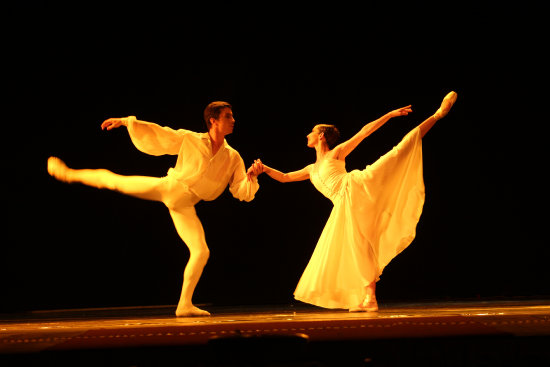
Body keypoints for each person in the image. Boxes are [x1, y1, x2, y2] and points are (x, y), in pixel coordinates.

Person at [47, 101, 263, 317]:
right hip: (169, 189)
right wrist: (126, 122)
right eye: (228, 116)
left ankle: (184, 305)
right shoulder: (192, 139)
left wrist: (251, 176)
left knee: (201, 251)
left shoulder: (233, 156)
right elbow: (161, 134)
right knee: (116, 182)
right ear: (212, 121)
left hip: (186, 205)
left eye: (232, 116)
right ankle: (68, 173)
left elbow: (240, 190)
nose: (233, 120)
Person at [250, 91, 457, 312]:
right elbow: (285, 177)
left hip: (356, 187)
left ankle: (437, 115)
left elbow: (363, 133)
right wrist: (263, 169)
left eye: (312, 132)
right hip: (343, 205)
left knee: (398, 152)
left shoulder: (336, 153)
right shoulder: (311, 170)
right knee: (357, 247)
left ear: (321, 136)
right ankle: (369, 297)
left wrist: (389, 115)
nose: (307, 135)